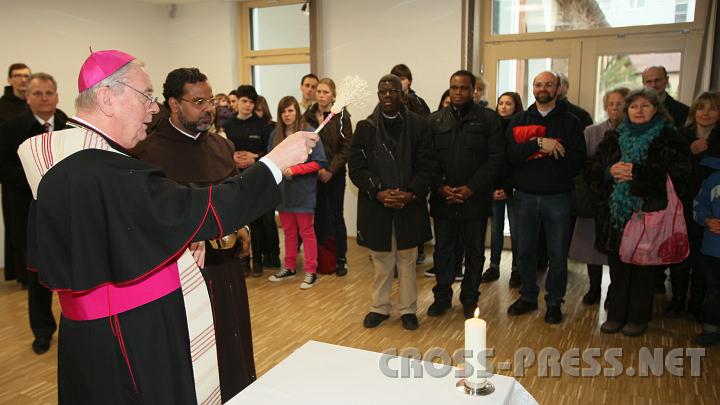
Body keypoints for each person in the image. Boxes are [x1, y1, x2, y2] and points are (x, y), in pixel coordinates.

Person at [17, 49, 317, 404]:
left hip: (89, 336)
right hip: (132, 335)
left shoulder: (56, 156)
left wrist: (172, 236)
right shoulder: (110, 170)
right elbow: (203, 208)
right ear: (107, 98)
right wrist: (275, 163)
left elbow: (122, 236)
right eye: (146, 96)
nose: (153, 108)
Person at [133, 67, 260, 401]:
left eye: (211, 100)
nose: (209, 108)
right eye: (198, 101)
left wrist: (244, 229)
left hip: (226, 270)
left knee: (230, 349)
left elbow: (238, 200)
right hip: (177, 278)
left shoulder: (221, 146)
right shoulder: (148, 152)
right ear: (174, 105)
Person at [589, 88, 690, 337]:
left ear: (657, 109)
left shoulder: (669, 137)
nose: (639, 110)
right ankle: (616, 315)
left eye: (645, 106)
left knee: (644, 272)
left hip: (649, 214)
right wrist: (609, 172)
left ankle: (638, 318)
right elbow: (592, 168)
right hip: (616, 216)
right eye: (634, 106)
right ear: (627, 111)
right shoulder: (614, 136)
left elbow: (682, 173)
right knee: (618, 270)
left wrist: (638, 173)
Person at [350, 74, 435, 330]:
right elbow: (355, 168)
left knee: (408, 259)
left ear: (402, 94)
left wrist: (410, 192)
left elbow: (428, 166)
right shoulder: (365, 127)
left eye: (393, 91)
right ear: (378, 95)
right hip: (377, 204)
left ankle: (408, 309)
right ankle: (380, 307)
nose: (388, 96)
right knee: (382, 260)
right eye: (383, 92)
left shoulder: (420, 125)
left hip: (409, 203)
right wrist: (378, 192)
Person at [505, 71, 586, 324]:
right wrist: (539, 144)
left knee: (558, 255)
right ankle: (528, 296)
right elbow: (511, 156)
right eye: (538, 84)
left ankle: (554, 302)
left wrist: (556, 153)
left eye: (548, 84)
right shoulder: (519, 120)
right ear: (533, 88)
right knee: (525, 251)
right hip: (524, 197)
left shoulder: (571, 122)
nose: (543, 88)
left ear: (558, 88)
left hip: (558, 198)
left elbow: (578, 162)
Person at [427, 70, 504, 319]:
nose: (458, 92)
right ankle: (442, 296)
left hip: (475, 199)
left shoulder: (489, 120)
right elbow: (427, 161)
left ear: (474, 91)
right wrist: (440, 187)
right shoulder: (435, 120)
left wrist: (471, 187)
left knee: (474, 252)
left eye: (463, 88)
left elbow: (495, 160)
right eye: (453, 87)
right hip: (444, 198)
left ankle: (470, 297)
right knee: (443, 251)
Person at [0, 73, 67, 354]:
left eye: (49, 93)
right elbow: (4, 168)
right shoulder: (11, 128)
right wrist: (39, 178)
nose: (44, 98)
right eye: (38, 93)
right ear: (27, 98)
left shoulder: (69, 125)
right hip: (30, 213)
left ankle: (75, 326)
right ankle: (42, 331)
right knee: (39, 278)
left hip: (66, 214)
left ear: (57, 96)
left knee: (69, 273)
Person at [570, 87, 628, 305]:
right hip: (595, 197)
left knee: (616, 250)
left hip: (620, 199)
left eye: (619, 104)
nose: (614, 108)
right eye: (610, 104)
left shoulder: (632, 133)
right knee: (591, 246)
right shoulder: (591, 131)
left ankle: (614, 290)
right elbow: (582, 163)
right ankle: (593, 288)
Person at [667, 91, 720, 318]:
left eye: (712, 108)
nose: (705, 113)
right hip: (682, 204)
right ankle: (677, 300)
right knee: (680, 256)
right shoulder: (682, 135)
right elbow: (671, 169)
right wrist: (690, 153)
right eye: (701, 107)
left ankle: (696, 303)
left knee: (702, 261)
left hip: (711, 209)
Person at [267, 96, 327, 289]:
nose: (287, 115)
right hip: (283, 193)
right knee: (289, 232)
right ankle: (290, 266)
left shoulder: (309, 133)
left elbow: (319, 162)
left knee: (306, 232)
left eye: (290, 110)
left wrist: (295, 170)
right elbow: (270, 160)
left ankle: (311, 270)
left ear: (297, 112)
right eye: (283, 111)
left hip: (303, 192)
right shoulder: (274, 136)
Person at [223, 85, 281, 274]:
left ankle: (258, 261)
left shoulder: (263, 126)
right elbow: (223, 151)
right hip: (235, 180)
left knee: (258, 222)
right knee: (241, 222)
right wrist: (232, 158)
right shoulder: (228, 125)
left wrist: (254, 158)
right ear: (237, 101)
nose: (247, 105)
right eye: (244, 101)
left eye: (251, 102)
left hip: (258, 179)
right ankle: (243, 260)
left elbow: (271, 152)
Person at [303, 77, 353, 276]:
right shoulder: (308, 116)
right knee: (319, 216)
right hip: (313, 174)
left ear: (333, 95)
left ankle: (341, 258)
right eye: (319, 91)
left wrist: (330, 170)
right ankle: (321, 259)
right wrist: (316, 168)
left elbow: (346, 147)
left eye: (326, 92)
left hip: (335, 174)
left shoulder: (341, 117)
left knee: (336, 215)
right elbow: (305, 143)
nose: (322, 95)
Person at [482, 92, 523, 286]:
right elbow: (490, 160)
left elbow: (516, 162)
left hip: (514, 188)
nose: (504, 107)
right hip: (495, 187)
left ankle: (517, 270)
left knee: (516, 231)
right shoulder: (491, 126)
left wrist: (507, 187)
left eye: (509, 103)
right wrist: (493, 187)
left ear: (516, 106)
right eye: (501, 103)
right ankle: (494, 266)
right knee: (496, 229)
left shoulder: (520, 127)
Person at [0, 63, 31, 284]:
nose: (22, 80)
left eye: (26, 76)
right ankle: (22, 274)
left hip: (35, 176)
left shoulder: (34, 105)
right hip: (13, 176)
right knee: (17, 225)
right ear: (10, 80)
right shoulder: (2, 107)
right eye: (18, 76)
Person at [693, 127, 720, 346]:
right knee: (714, 291)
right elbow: (699, 206)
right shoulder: (712, 178)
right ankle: (711, 329)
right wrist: (708, 220)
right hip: (713, 247)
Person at [642, 65, 689, 131]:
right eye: (649, 81)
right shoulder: (635, 111)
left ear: (667, 80)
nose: (653, 85)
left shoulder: (684, 111)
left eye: (657, 80)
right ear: (643, 83)